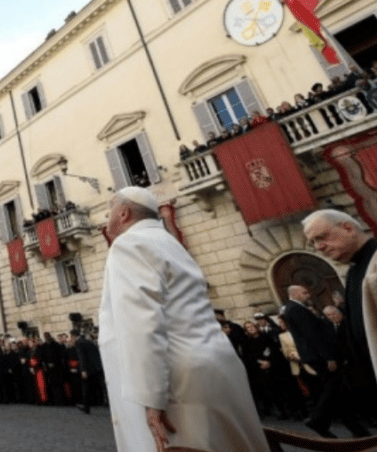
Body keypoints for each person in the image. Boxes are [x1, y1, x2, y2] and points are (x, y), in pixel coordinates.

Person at [99, 186, 269, 452]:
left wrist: (151, 396)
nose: (105, 217)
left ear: (123, 213)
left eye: (109, 210)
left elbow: (142, 323)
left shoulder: (128, 245)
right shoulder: (170, 242)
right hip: (213, 362)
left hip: (176, 381)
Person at [302, 209, 377, 400]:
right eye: (313, 243)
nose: (319, 247)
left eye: (321, 237)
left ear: (348, 228)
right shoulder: (353, 271)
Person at [282, 284, 369, 438]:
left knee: (337, 392)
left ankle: (357, 429)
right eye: (304, 291)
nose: (307, 293)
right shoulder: (296, 309)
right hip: (320, 356)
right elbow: (312, 335)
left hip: (316, 355)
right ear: (294, 294)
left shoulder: (293, 308)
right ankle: (317, 419)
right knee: (332, 388)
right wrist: (328, 357)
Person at [70, 330, 104, 414]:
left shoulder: (79, 343)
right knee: (101, 386)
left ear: (73, 336)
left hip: (89, 369)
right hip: (97, 367)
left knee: (85, 388)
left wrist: (83, 370)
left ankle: (86, 407)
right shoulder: (87, 341)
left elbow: (82, 357)